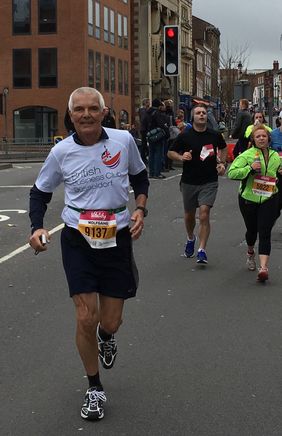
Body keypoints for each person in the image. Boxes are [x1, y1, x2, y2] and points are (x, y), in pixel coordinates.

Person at [28, 87, 149, 421]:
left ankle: (106, 337)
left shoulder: (123, 142)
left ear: (103, 111)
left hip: (117, 235)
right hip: (78, 237)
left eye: (92, 109)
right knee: (85, 316)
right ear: (71, 115)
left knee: (110, 321)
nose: (85, 115)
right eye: (78, 110)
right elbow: (39, 192)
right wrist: (37, 227)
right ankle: (94, 386)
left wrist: (140, 208)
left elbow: (139, 176)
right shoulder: (61, 152)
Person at [167, 103, 227, 264]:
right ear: (192, 117)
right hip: (189, 181)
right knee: (189, 216)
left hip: (209, 181)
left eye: (204, 113)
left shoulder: (214, 135)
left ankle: (201, 250)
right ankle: (190, 238)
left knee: (205, 213)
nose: (202, 115)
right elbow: (170, 152)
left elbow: (223, 148)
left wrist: (222, 163)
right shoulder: (185, 135)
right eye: (198, 113)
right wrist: (181, 157)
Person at [228, 125, 281, 282]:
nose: (261, 139)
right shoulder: (247, 155)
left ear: (268, 138)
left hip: (269, 198)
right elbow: (232, 172)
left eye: (264, 136)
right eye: (258, 136)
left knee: (265, 231)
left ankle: (263, 268)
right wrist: (250, 169)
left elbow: (277, 171)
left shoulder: (275, 156)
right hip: (248, 199)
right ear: (253, 140)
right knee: (252, 231)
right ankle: (250, 251)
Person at [144, 98, 169, 179]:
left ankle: (151, 173)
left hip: (150, 135)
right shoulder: (157, 113)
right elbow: (161, 124)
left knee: (151, 154)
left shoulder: (147, 112)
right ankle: (157, 173)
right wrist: (166, 130)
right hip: (158, 135)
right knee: (158, 154)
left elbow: (144, 123)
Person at [270, 114, 282, 216]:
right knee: (275, 206)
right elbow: (266, 152)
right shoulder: (272, 134)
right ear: (280, 120)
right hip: (276, 173)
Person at [138, 98, 150, 164]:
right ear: (145, 103)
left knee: (144, 144)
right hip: (144, 129)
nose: (149, 103)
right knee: (144, 144)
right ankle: (143, 158)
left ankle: (144, 157)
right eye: (148, 102)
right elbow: (143, 119)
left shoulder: (144, 110)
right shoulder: (143, 110)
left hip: (144, 128)